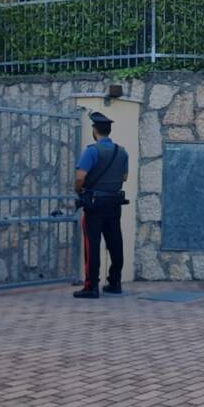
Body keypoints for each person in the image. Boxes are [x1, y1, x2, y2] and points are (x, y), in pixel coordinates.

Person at [73, 111, 129, 298]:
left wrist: (78, 189)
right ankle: (115, 282)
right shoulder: (122, 152)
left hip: (95, 203)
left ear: (95, 130)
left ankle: (91, 286)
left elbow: (81, 177)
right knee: (115, 242)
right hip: (114, 201)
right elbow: (124, 177)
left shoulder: (92, 151)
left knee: (92, 244)